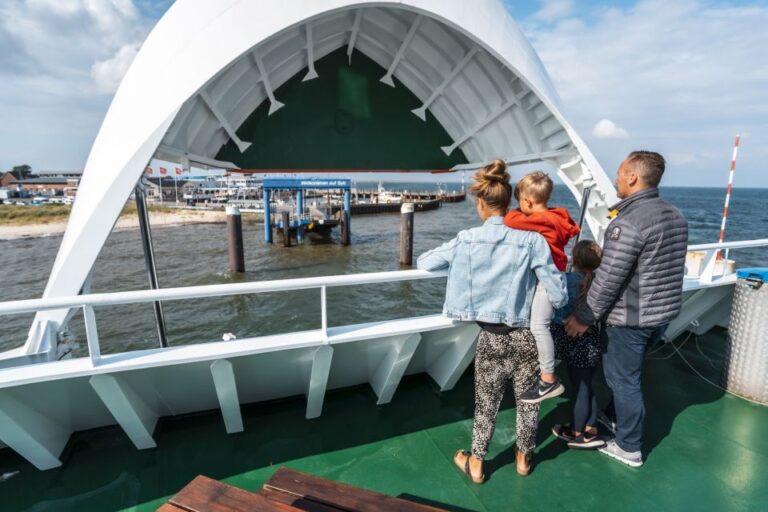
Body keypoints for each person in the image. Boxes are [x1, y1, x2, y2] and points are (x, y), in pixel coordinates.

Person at [417, 160, 567, 484]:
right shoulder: (531, 241)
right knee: (529, 401)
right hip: (528, 336)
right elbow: (556, 288)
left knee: (486, 404)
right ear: (510, 203)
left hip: (492, 338)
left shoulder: (466, 239)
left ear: (481, 203)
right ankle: (525, 458)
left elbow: (425, 262)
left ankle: (476, 463)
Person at [565, 151, 688, 467]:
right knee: (630, 376)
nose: (617, 178)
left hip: (631, 319)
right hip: (660, 315)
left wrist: (583, 317)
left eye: (620, 173)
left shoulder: (628, 224)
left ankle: (628, 446)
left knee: (623, 381)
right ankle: (615, 418)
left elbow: (608, 279)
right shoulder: (675, 215)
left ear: (633, 177)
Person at [504, 171, 580, 404]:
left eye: (521, 202)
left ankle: (548, 379)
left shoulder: (541, 221)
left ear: (527, 201)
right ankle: (545, 371)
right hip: (555, 276)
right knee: (543, 325)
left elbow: (509, 220)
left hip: (548, 279)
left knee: (539, 327)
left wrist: (516, 210)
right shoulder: (558, 216)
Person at [549, 240, 606, 449]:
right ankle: (591, 427)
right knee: (587, 384)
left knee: (580, 387)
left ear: (574, 258)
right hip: (592, 340)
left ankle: (576, 430)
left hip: (574, 341)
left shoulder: (568, 280)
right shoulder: (599, 282)